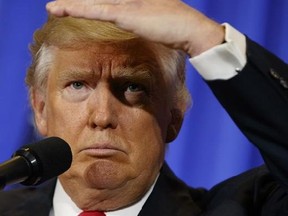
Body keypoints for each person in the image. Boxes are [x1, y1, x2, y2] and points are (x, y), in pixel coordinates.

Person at [0, 0, 288, 216]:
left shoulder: (249, 207)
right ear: (40, 110)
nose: (102, 116)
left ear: (175, 115)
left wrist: (203, 36)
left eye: (132, 87)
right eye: (77, 85)